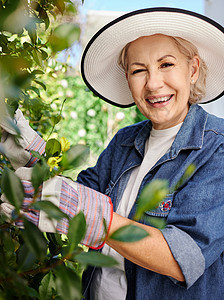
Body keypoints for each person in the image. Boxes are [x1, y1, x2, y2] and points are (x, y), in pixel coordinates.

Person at [1, 6, 224, 300]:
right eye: (138, 70)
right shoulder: (125, 141)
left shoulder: (216, 149)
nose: (153, 83)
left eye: (166, 64)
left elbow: (181, 258)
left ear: (193, 69)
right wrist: (29, 156)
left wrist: (89, 215)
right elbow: (79, 194)